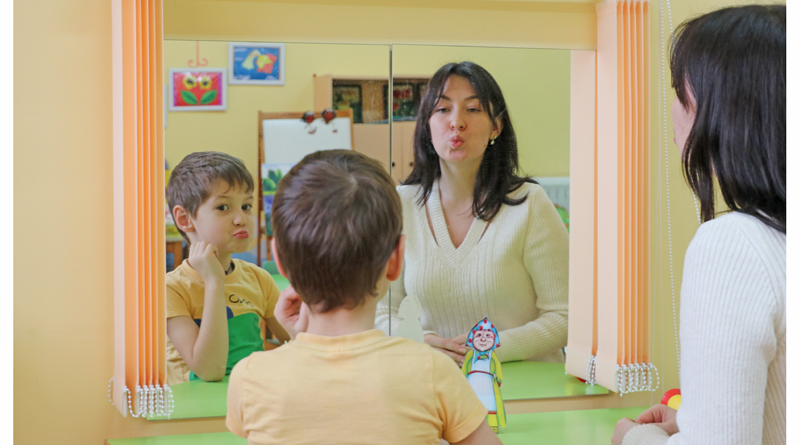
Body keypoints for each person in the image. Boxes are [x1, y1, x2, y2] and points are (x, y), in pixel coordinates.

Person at [226, 150, 501, 445]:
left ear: (279, 260)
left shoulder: (250, 377)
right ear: (396, 259)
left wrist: (298, 341)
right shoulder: (432, 371)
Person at [612, 5, 785, 445]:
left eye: (679, 91)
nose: (672, 109)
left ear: (725, 108)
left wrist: (632, 438)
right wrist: (696, 419)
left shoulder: (734, 246)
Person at [375, 61, 569, 366]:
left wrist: (487, 348)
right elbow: (380, 312)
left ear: (496, 127)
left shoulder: (530, 204)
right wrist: (419, 340)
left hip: (524, 384)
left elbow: (565, 316)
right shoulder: (402, 204)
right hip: (436, 382)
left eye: (473, 109)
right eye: (443, 109)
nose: (457, 122)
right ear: (427, 125)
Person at [165, 151, 289, 384]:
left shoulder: (258, 278)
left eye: (246, 206)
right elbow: (209, 371)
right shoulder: (171, 288)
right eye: (223, 207)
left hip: (249, 399)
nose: (241, 219)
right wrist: (214, 282)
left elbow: (296, 341)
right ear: (184, 219)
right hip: (197, 406)